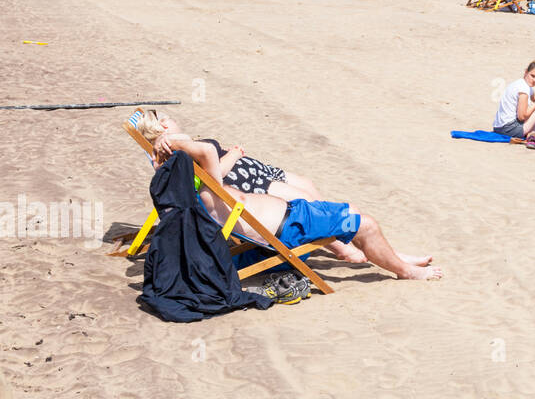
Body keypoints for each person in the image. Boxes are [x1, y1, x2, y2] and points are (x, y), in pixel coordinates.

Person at [136, 111, 440, 280]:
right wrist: (176, 141)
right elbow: (204, 150)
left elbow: (199, 155)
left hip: (287, 217)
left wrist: (167, 149)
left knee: (350, 213)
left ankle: (396, 258)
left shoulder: (188, 188)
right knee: (364, 223)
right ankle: (404, 270)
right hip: (288, 228)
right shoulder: (204, 183)